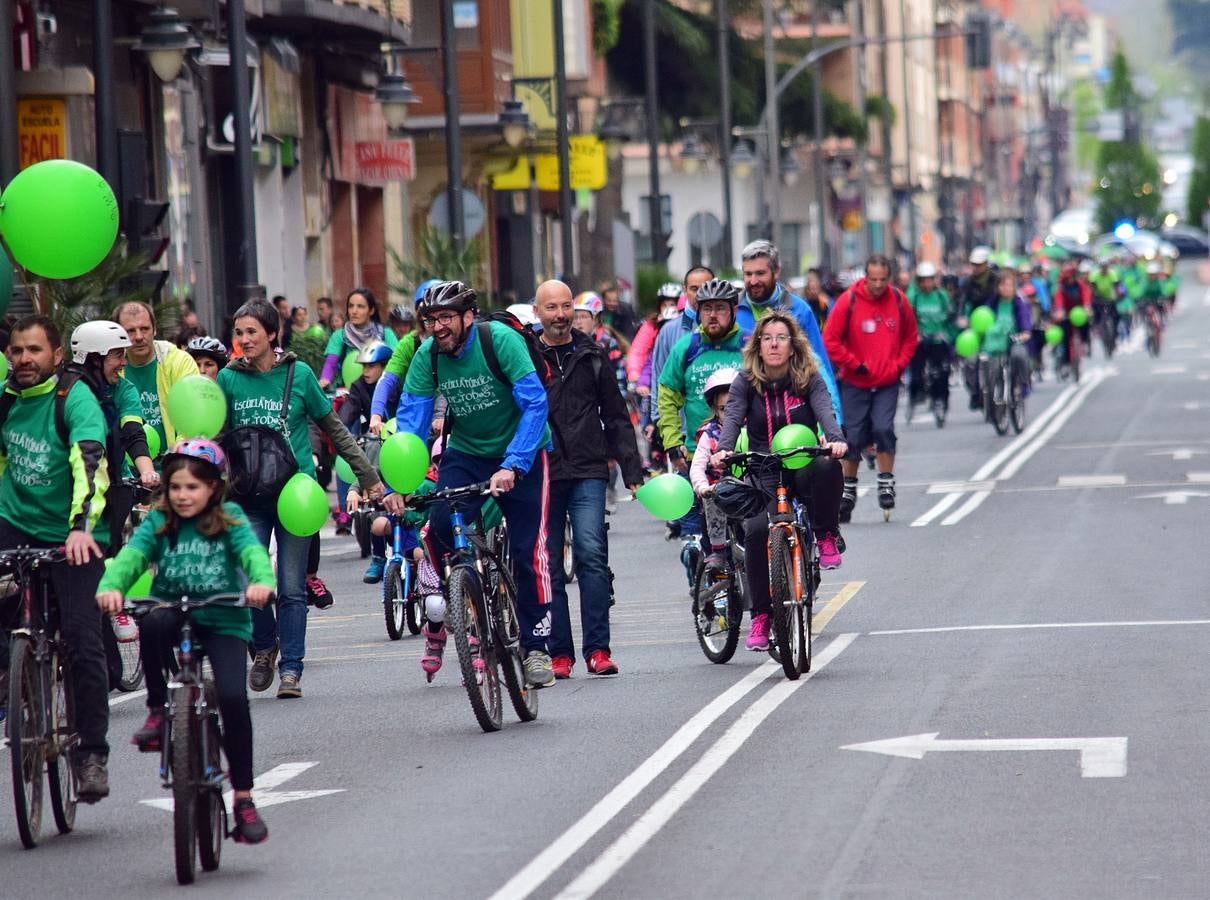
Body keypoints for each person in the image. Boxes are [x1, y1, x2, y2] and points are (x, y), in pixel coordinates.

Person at [95, 439, 274, 843]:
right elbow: (130, 559)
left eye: (192, 487)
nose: (182, 495)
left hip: (225, 618)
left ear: (213, 487)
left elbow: (252, 554)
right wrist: (111, 586)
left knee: (231, 697)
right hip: (175, 609)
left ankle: (243, 797)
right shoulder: (159, 522)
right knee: (154, 622)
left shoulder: (229, 518)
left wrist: (262, 581)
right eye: (175, 487)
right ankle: (159, 708)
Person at [394, 281, 557, 688]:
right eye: (430, 320)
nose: (437, 327)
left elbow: (535, 403)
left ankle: (536, 648)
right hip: (466, 452)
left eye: (445, 318)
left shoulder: (499, 341)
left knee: (527, 550)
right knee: (437, 526)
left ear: (468, 316)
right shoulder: (428, 356)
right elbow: (412, 419)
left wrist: (514, 464)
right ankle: (464, 592)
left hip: (521, 452)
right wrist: (399, 483)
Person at [218, 299, 383, 699]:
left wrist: (368, 476)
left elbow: (334, 430)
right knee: (248, 580)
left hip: (296, 494)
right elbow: (215, 437)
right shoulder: (227, 379)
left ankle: (291, 669)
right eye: (239, 333)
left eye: (251, 332)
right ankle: (264, 648)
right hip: (246, 495)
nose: (244, 340)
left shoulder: (299, 373)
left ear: (272, 334)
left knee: (292, 587)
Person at [0, 315, 112, 801]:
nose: (24, 359)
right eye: (17, 351)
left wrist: (80, 529)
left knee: (86, 644)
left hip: (73, 534)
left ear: (56, 355)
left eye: (34, 351)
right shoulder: (5, 400)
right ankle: (16, 684)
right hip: (15, 526)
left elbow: (88, 461)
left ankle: (91, 754)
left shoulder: (73, 398)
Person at [713, 313, 847, 650]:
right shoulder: (746, 381)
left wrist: (834, 439)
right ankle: (761, 616)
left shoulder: (808, 379)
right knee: (757, 530)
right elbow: (732, 418)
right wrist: (724, 449)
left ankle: (826, 533)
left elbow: (825, 411)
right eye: (767, 337)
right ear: (758, 345)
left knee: (829, 465)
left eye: (781, 337)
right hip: (765, 466)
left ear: (793, 345)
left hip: (803, 460)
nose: (774, 343)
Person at [534, 280, 644, 679]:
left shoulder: (591, 353)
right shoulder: (526, 355)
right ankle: (559, 653)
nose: (561, 315)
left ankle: (598, 649)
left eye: (566, 306)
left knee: (591, 557)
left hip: (588, 469)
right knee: (546, 564)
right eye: (552, 308)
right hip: (542, 471)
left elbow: (615, 415)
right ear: (538, 312)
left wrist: (631, 470)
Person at [67, 321, 160, 685]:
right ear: (92, 357)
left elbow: (133, 432)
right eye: (117, 355)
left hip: (114, 487)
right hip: (74, 488)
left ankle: (109, 643)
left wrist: (148, 470)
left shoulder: (124, 390)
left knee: (104, 562)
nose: (124, 361)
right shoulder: (69, 392)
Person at [823, 254, 919, 521]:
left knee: (883, 428)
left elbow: (911, 337)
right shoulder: (849, 301)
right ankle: (848, 489)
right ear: (865, 277)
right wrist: (853, 363)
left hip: (887, 380)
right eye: (872, 279)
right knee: (852, 437)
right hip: (856, 381)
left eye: (882, 280)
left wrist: (899, 365)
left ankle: (886, 481)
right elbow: (830, 339)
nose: (877, 285)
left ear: (889, 278)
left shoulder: (899, 301)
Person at [657, 278, 748, 552]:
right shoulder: (687, 347)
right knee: (694, 540)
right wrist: (673, 443)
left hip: (743, 452)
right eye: (706, 308)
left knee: (747, 533)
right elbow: (667, 395)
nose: (712, 314)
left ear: (733, 311)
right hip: (696, 454)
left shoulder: (748, 344)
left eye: (720, 308)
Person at [735, 240, 842, 424]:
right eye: (748, 274)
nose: (753, 281)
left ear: (776, 272)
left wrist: (835, 423)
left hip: (793, 412)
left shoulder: (799, 310)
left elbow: (819, 367)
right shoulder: (732, 311)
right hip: (746, 415)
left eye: (760, 273)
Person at [337, 339, 398, 583]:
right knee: (373, 489)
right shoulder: (359, 386)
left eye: (371, 366)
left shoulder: (398, 384)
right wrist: (343, 432)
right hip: (373, 440)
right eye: (364, 367)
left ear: (385, 366)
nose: (366, 372)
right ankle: (378, 555)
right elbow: (346, 414)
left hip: (402, 443)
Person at [115, 300, 201, 451]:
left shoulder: (179, 361)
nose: (139, 336)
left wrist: (176, 459)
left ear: (154, 330)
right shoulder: (111, 369)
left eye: (145, 328)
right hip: (127, 468)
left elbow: (193, 415)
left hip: (174, 463)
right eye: (130, 331)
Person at [689, 367, 739, 572]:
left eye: (736, 407)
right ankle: (717, 552)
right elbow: (697, 467)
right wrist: (702, 487)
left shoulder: (753, 428)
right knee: (713, 496)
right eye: (724, 409)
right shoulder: (709, 435)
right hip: (721, 494)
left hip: (750, 492)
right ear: (715, 410)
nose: (730, 414)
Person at [319, 288, 397, 390]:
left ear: (371, 310)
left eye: (360, 306)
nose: (354, 311)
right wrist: (324, 379)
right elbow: (331, 363)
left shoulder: (386, 333)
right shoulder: (340, 335)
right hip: (349, 391)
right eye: (351, 306)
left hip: (381, 390)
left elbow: (396, 362)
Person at [906, 261, 952, 414]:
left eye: (929, 279)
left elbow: (949, 315)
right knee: (916, 369)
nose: (927, 284)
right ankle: (916, 393)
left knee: (941, 371)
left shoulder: (941, 296)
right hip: (920, 339)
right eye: (923, 280)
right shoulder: (914, 296)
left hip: (938, 339)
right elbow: (908, 316)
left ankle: (941, 399)